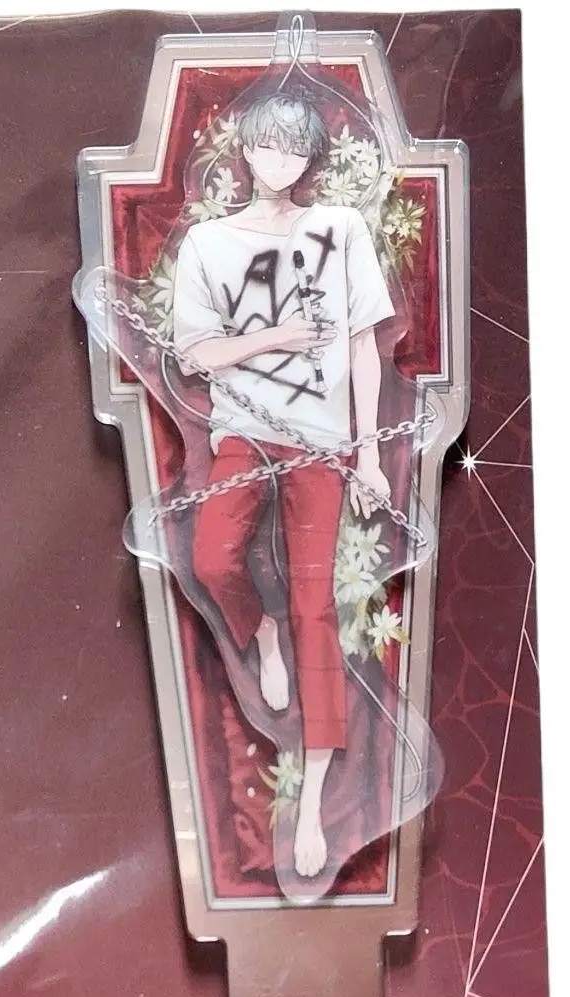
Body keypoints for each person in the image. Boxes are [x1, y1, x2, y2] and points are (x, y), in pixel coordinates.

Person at [172, 91, 395, 879]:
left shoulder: (340, 229)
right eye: (267, 147)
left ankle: (311, 805)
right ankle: (259, 632)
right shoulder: (208, 241)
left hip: (324, 445)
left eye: (295, 151)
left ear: (311, 159)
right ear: (244, 150)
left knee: (316, 609)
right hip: (242, 429)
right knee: (211, 558)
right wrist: (278, 337)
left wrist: (368, 455)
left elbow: (363, 348)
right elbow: (195, 354)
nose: (280, 163)